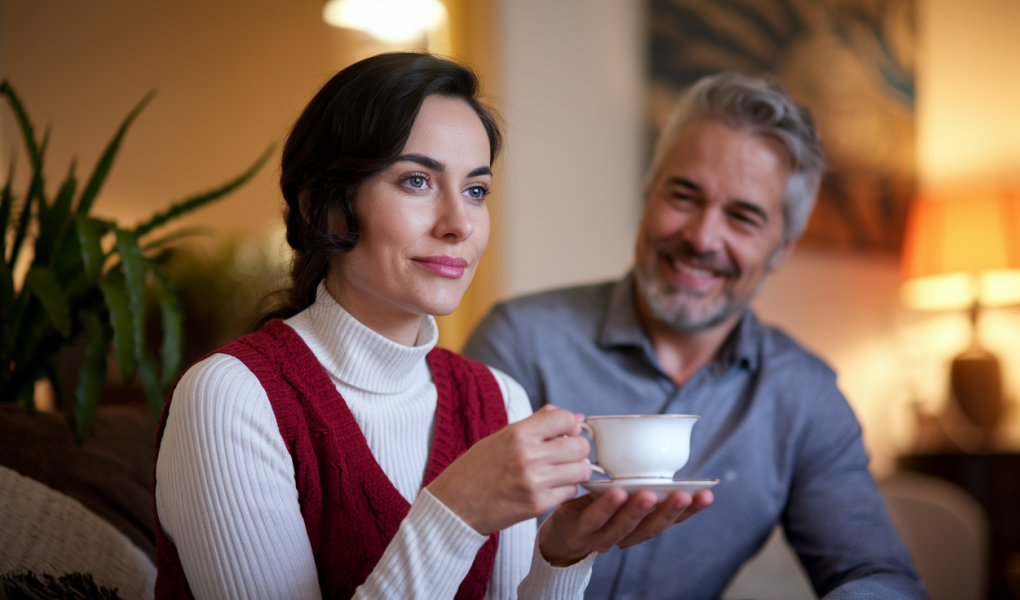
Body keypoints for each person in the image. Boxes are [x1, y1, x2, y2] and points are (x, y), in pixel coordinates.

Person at [153, 52, 712, 600]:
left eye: (476, 190)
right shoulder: (230, 398)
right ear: (323, 205)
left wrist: (559, 555)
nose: (459, 224)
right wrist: (457, 510)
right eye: (417, 181)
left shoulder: (497, 400)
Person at [464, 72, 929, 599]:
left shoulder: (805, 396)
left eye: (744, 216)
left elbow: (875, 575)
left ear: (781, 249)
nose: (703, 237)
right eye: (684, 196)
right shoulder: (520, 342)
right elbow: (452, 541)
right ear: (648, 195)